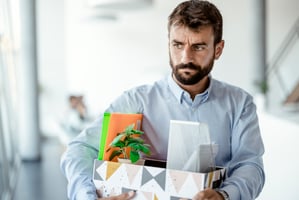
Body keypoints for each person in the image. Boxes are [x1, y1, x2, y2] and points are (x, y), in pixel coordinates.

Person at [60, 0, 265, 199]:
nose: (186, 57)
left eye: (199, 47)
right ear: (169, 44)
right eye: (177, 45)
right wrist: (86, 196)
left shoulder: (240, 104)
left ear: (217, 49)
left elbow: (250, 165)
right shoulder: (135, 101)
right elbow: (79, 150)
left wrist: (223, 196)